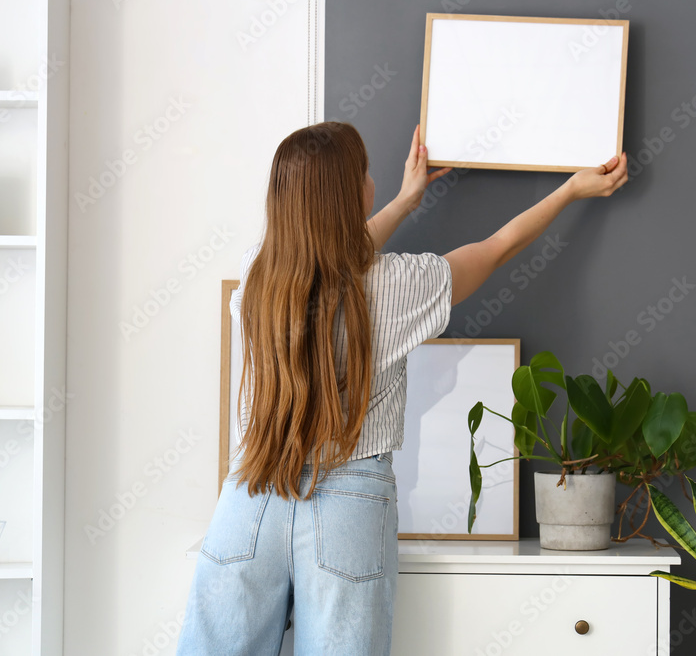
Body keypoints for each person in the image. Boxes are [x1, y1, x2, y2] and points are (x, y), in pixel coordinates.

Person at [176, 121, 628, 655]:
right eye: (365, 174)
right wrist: (571, 189)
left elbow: (335, 260)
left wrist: (405, 202)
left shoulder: (258, 286)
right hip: (347, 503)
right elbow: (497, 247)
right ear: (350, 195)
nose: (372, 182)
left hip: (249, 498)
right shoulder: (399, 286)